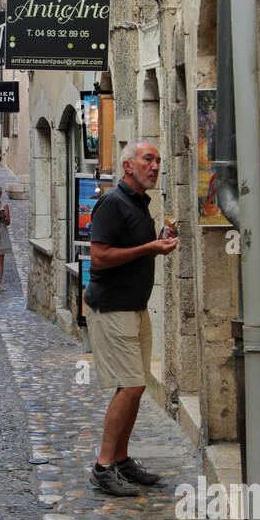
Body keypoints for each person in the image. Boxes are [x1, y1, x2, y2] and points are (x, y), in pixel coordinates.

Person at [84, 140, 179, 496]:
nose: (155, 166)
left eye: (158, 160)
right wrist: (150, 248)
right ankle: (103, 466)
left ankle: (121, 460)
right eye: (147, 159)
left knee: (136, 387)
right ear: (128, 165)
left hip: (134, 308)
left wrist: (158, 240)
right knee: (130, 386)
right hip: (112, 308)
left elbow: (130, 250)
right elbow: (99, 257)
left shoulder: (140, 203)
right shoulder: (112, 202)